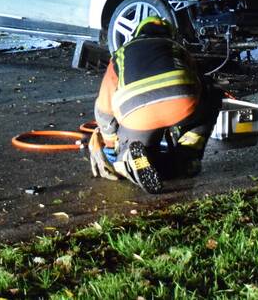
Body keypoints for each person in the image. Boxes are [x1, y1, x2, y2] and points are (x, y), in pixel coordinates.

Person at [88, 16, 221, 193]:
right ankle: (187, 157)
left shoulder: (121, 54)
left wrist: (111, 147)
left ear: (137, 33)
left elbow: (104, 109)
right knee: (212, 93)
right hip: (182, 107)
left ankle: (127, 159)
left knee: (139, 150)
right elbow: (200, 83)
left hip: (138, 115)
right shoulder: (176, 48)